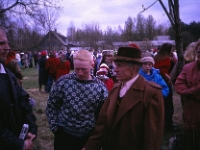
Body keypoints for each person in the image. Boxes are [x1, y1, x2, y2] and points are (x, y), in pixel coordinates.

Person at [83, 46, 164, 150]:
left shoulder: (151, 93)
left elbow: (152, 136)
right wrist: (89, 147)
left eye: (120, 66)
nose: (115, 70)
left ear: (134, 68)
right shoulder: (116, 88)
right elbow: (102, 123)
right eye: (115, 65)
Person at [46, 49, 108, 150]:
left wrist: (96, 138)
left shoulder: (100, 88)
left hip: (87, 138)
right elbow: (51, 104)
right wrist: (55, 127)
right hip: (63, 135)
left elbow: (102, 116)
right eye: (77, 69)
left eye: (84, 69)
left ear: (92, 65)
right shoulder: (63, 82)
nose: (79, 73)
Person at [0, 27, 37, 149]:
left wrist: (30, 130)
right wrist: (19, 144)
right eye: (1, 43)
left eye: (7, 43)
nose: (7, 47)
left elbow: (24, 100)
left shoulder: (7, 73)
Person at [175, 39, 200, 150]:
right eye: (199, 52)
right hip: (191, 113)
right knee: (191, 142)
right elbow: (178, 85)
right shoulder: (189, 68)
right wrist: (194, 91)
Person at [154, 42, 178, 132]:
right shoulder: (167, 59)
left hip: (156, 82)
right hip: (165, 83)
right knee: (168, 105)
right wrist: (169, 79)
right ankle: (168, 125)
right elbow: (165, 71)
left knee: (159, 104)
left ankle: (159, 124)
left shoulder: (156, 57)